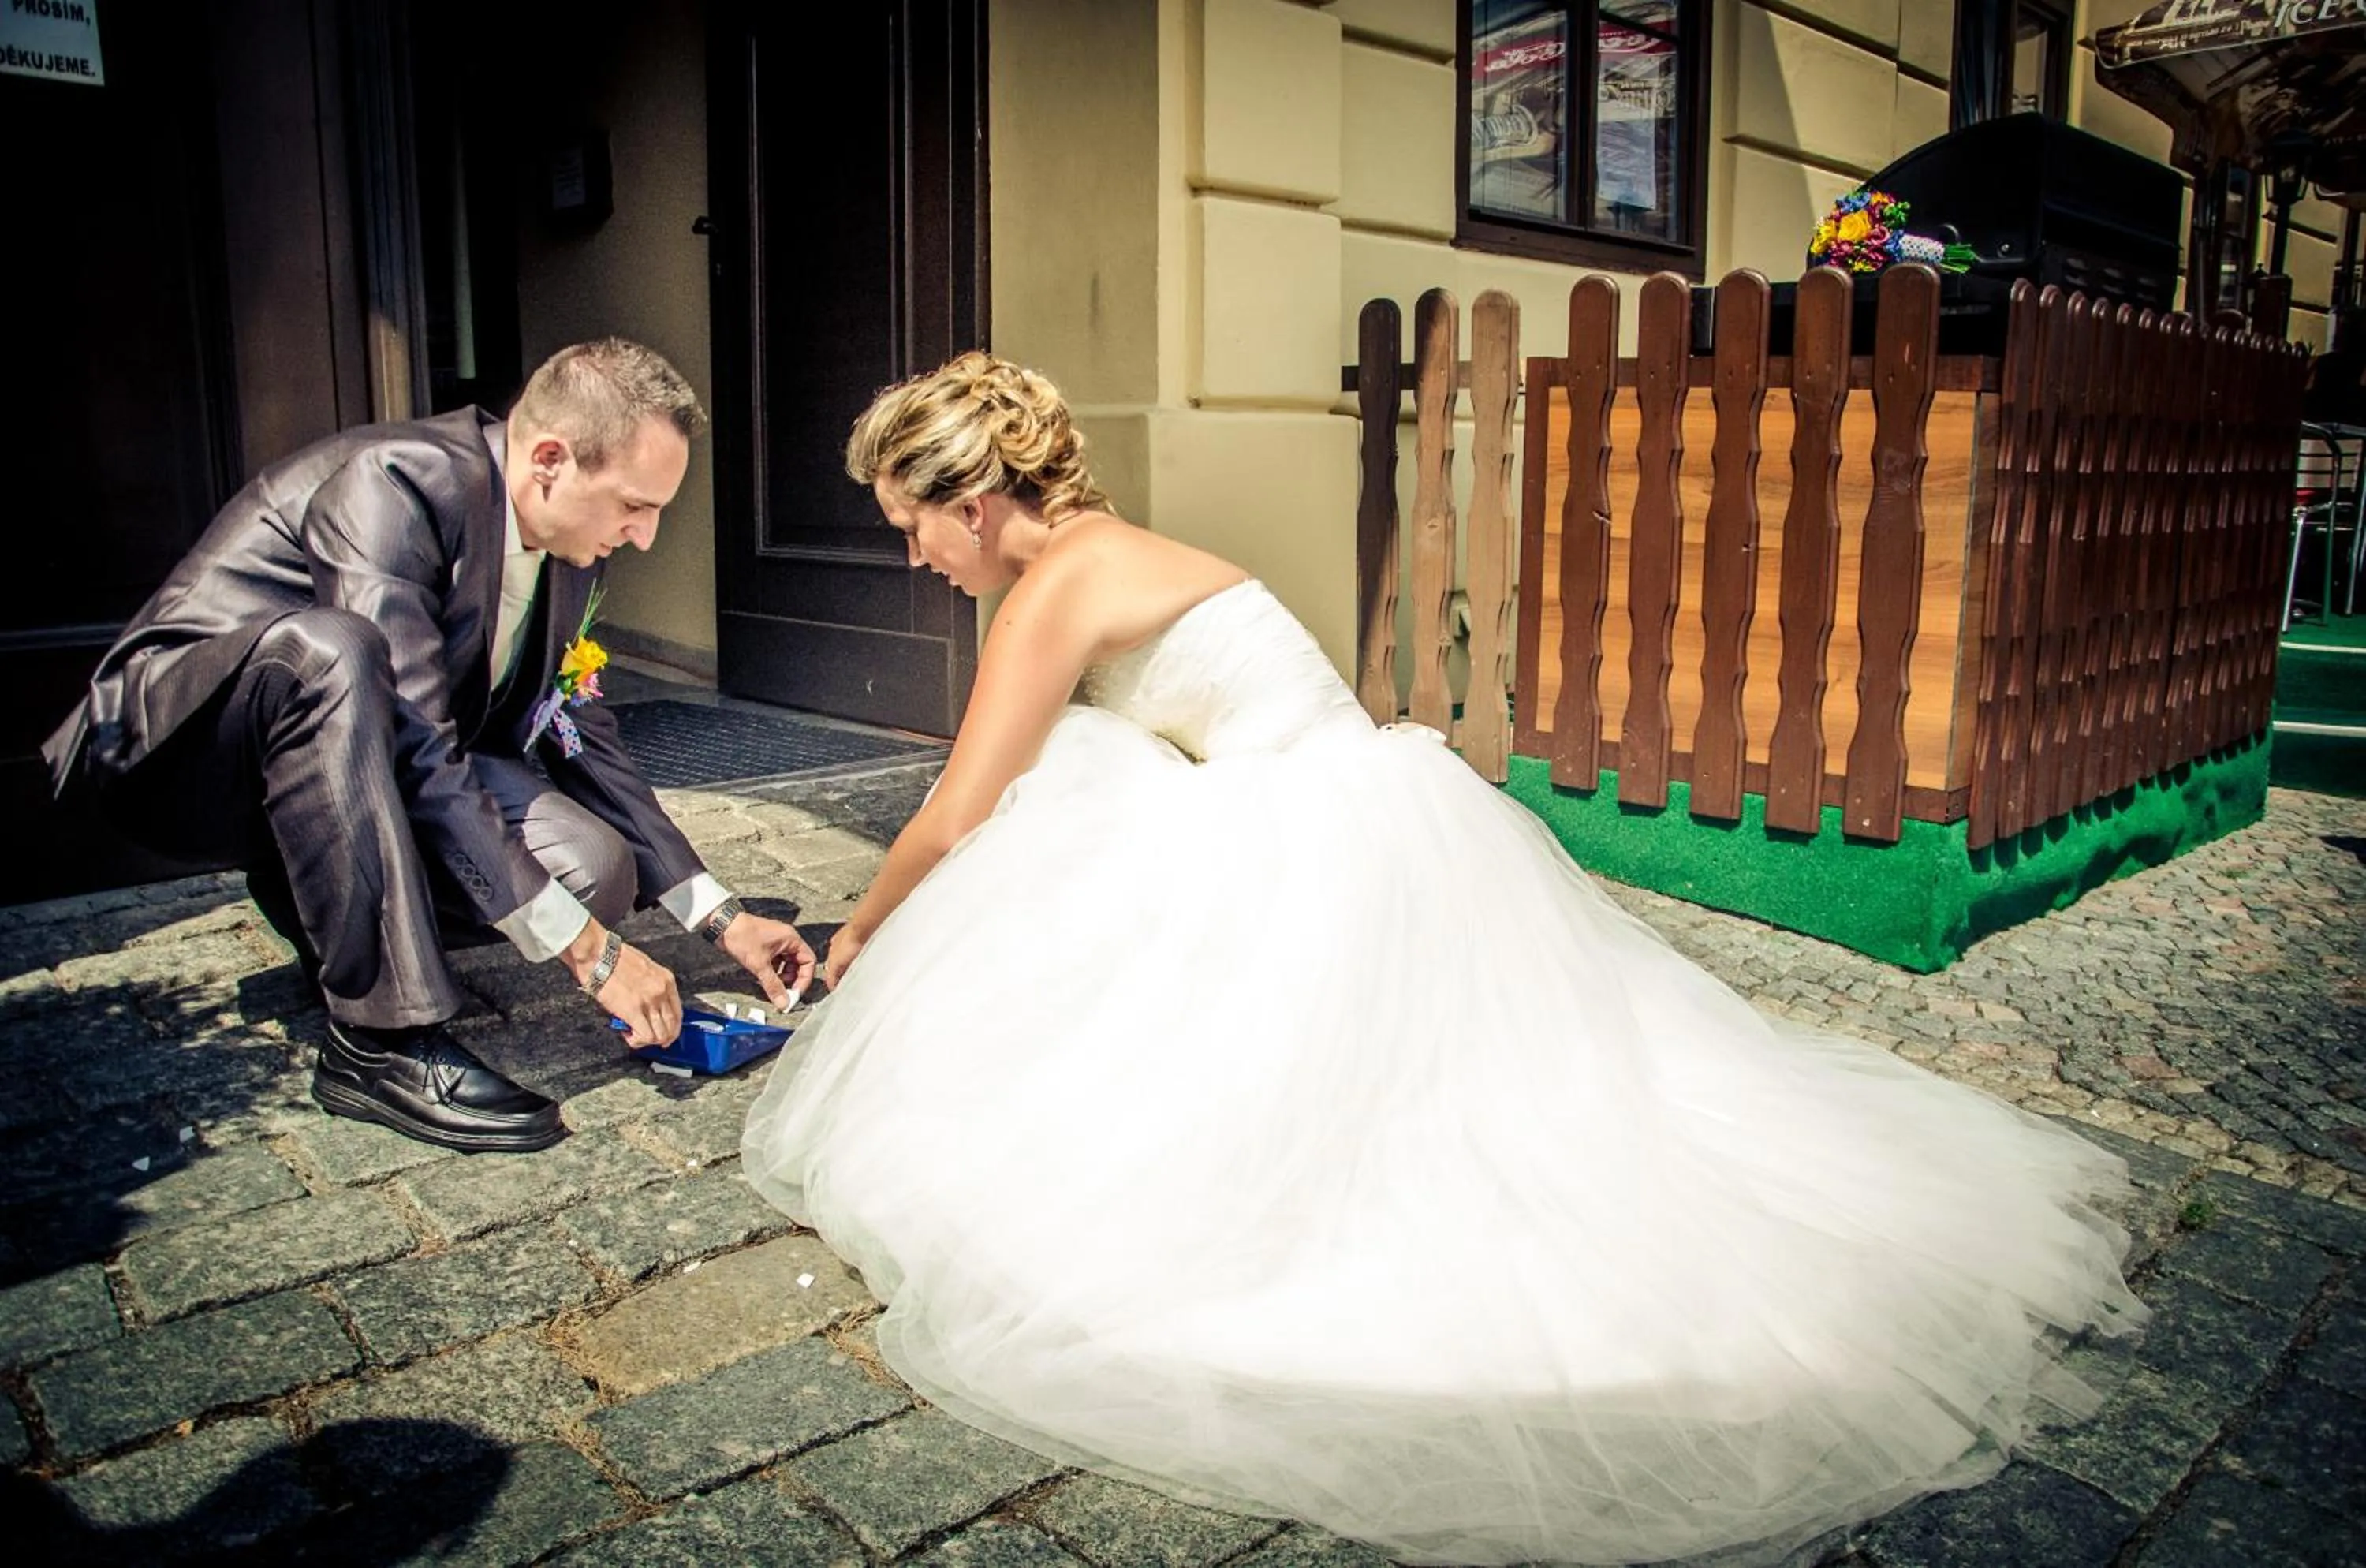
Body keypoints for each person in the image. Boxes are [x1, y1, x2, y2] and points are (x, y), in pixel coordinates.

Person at [741, 353, 2144, 1568]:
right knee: (1110, 787)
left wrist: (858, 932)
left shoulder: (1055, 588)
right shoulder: (1104, 548)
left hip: (1306, 834)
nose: (912, 555)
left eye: (910, 525)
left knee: (1110, 847)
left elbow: (960, 808)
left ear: (973, 504)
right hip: (1359, 804)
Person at [46, 339, 816, 1155]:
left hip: (350, 764)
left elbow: (582, 731)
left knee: (593, 863)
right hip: (182, 752)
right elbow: (414, 742)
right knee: (333, 651)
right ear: (550, 459)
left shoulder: (573, 553)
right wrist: (595, 957)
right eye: (636, 503)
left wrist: (722, 916)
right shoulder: (398, 483)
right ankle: (378, 1043)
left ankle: (318, 906)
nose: (648, 535)